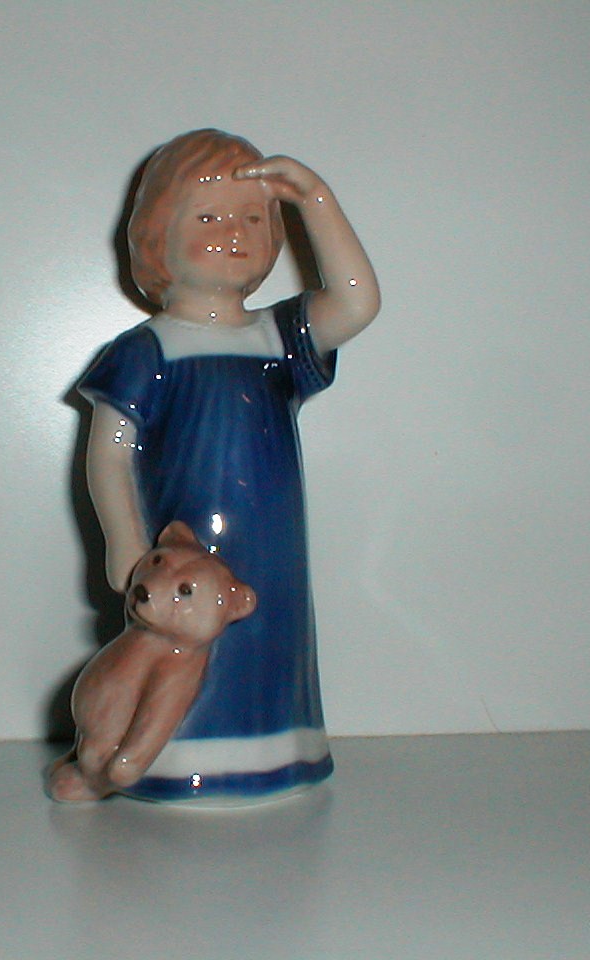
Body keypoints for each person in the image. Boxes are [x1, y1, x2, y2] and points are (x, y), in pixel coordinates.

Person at [77, 129, 380, 803]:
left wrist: (316, 200)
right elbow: (110, 452)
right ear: (157, 235)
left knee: (268, 637)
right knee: (173, 653)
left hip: (269, 546)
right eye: (208, 217)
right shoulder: (147, 348)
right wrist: (124, 539)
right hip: (179, 544)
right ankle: (153, 758)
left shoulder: (275, 337)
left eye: (253, 218)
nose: (233, 233)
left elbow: (357, 302)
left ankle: (275, 750)